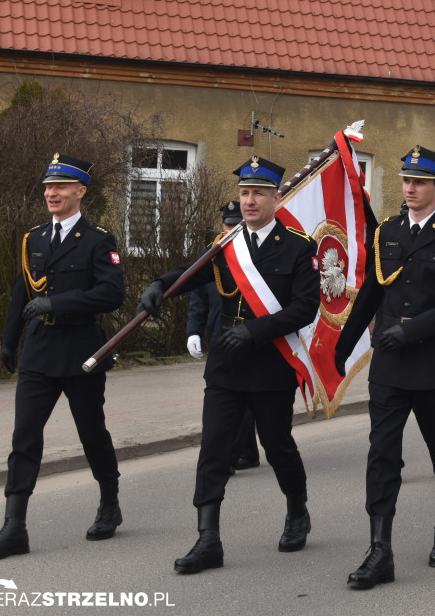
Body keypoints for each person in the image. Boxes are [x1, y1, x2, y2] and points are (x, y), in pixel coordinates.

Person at [137, 157, 320, 573]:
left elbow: (305, 308)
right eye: (244, 193)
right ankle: (208, 540)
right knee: (214, 450)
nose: (249, 200)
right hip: (225, 368)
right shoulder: (226, 244)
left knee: (277, 447)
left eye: (257, 193)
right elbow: (192, 274)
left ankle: (297, 509)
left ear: (276, 197)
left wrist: (255, 333)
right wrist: (160, 286)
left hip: (271, 366)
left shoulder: (297, 246)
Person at [334, 146, 435, 589]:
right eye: (405, 180)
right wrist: (341, 348)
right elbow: (372, 295)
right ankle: (380, 550)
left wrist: (411, 331)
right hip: (391, 369)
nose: (410, 188)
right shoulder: (388, 233)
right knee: (382, 456)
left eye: (419, 182)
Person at [0, 154, 125, 562]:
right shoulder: (35, 239)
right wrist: (10, 340)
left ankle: (109, 504)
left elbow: (113, 294)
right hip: (40, 352)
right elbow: (21, 292)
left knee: (91, 433)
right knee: (24, 437)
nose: (51, 193)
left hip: (82, 352)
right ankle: (14, 527)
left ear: (81, 191)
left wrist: (56, 302)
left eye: (60, 186)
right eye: (47, 186)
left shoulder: (99, 239)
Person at [186, 201, 260, 472]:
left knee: (242, 399)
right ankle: (245, 452)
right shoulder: (212, 254)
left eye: (235, 224)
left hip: (248, 335)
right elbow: (199, 297)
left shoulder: (253, 254)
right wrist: (193, 331)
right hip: (220, 335)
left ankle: (233, 455)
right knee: (229, 398)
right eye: (227, 224)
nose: (230, 229)